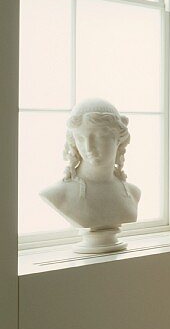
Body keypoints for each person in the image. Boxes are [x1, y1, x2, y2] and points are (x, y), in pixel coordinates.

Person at [40, 98, 140, 248]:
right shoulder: (57, 194)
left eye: (99, 137)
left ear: (118, 139)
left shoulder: (133, 193)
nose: (88, 147)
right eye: (80, 138)